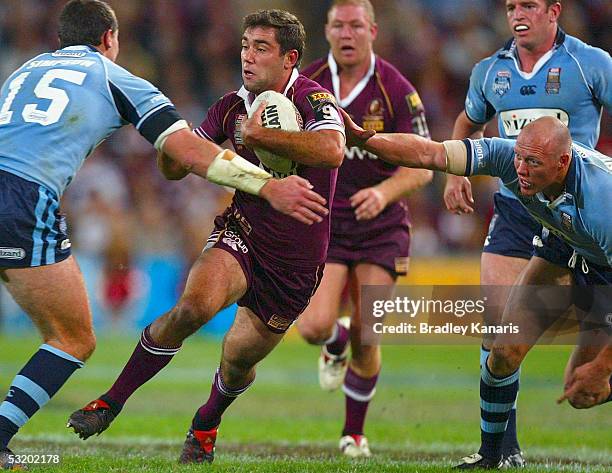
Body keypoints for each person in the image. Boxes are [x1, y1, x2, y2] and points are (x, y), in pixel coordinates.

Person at [0, 1, 330, 469]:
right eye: (245, 46)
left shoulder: (23, 69)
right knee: (78, 337)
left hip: (295, 258)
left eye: (260, 48)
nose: (248, 56)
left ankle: (206, 419)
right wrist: (267, 184)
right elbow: (181, 155)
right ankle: (40, 424)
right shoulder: (120, 79)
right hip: (26, 199)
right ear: (110, 40)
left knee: (237, 361)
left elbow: (334, 148)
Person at [342, 113, 612, 469]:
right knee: (502, 352)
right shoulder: (509, 158)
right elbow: (431, 154)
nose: (521, 169)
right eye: (519, 157)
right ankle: (491, 456)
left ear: (563, 162)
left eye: (533, 162)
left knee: (585, 390)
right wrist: (364, 140)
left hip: (605, 270)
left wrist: (604, 365)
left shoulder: (601, 203)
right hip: (564, 246)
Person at [442, 0, 611, 465]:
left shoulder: (591, 63)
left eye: (529, 5)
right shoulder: (489, 70)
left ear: (553, 11)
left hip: (580, 218)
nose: (518, 13)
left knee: (584, 377)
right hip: (516, 212)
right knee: (499, 333)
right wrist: (457, 174)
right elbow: (467, 122)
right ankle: (499, 450)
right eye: (511, 5)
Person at [298, 0, 432, 458]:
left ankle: (353, 433)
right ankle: (333, 344)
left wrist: (384, 193)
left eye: (356, 25)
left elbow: (423, 165)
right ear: (328, 30)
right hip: (328, 223)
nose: (347, 33)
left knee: (368, 331)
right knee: (314, 327)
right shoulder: (309, 82)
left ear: (373, 30)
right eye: (338, 25)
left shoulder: (395, 88)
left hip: (381, 227)